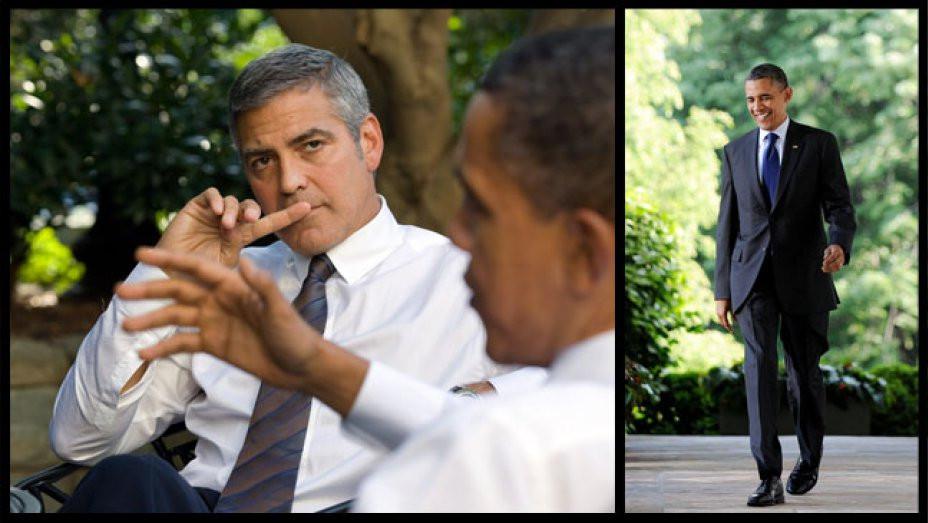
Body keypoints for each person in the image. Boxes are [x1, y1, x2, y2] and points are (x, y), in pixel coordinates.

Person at [114, 25, 615, 512]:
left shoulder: (531, 418)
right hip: (200, 497)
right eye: (262, 161)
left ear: (368, 141)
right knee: (127, 480)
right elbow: (82, 437)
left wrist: (475, 397)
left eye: (481, 209)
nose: (290, 182)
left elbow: (501, 439)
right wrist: (164, 273)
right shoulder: (234, 280)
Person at [713, 63, 856, 507]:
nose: (758, 107)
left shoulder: (818, 144)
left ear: (786, 95)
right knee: (758, 372)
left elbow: (840, 207)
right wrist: (722, 289)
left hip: (805, 277)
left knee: (803, 374)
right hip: (750, 277)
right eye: (751, 99)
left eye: (766, 98)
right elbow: (727, 225)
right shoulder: (735, 152)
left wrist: (839, 246)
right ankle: (768, 476)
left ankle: (809, 459)